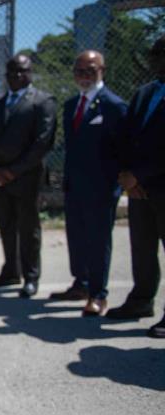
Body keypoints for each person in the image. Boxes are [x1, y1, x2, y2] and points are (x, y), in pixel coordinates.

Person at [49, 50, 126, 316]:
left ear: (102, 70)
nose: (84, 76)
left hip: (101, 187)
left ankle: (98, 295)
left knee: (97, 240)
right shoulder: (71, 105)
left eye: (90, 70)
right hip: (75, 185)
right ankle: (80, 284)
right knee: (77, 238)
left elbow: (123, 148)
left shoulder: (113, 106)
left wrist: (117, 183)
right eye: (79, 71)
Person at [0, 54, 57, 298]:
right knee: (6, 226)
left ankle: (31, 277)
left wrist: (13, 171)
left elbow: (42, 143)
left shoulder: (42, 102)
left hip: (26, 178)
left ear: (31, 72)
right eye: (12, 72)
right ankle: (11, 270)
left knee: (28, 227)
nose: (17, 76)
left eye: (23, 71)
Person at [106, 35, 165, 338]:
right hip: (139, 188)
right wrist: (126, 174)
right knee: (142, 248)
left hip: (158, 183)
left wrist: (139, 175)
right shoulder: (145, 93)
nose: (156, 59)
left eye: (161, 53)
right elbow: (127, 136)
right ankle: (142, 300)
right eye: (155, 53)